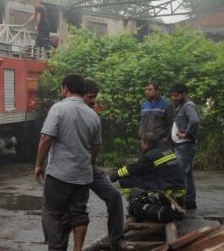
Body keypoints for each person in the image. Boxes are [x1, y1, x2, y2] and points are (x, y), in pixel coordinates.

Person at [34, 74, 102, 251]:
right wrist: (90, 164)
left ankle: (57, 248)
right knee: (79, 213)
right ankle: (77, 249)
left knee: (53, 214)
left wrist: (38, 164)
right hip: (82, 175)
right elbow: (96, 146)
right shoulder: (93, 114)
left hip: (60, 174)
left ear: (65, 88)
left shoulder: (59, 108)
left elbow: (46, 138)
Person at [83, 80, 128, 251]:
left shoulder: (92, 114)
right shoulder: (66, 112)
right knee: (74, 209)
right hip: (71, 168)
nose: (93, 101)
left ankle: (116, 240)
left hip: (88, 166)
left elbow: (96, 146)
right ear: (81, 95)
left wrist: (92, 165)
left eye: (95, 97)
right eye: (90, 97)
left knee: (114, 195)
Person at [109, 133, 185, 203]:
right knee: (140, 177)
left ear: (146, 143)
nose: (141, 146)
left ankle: (136, 203)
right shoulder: (166, 149)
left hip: (167, 192)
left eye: (142, 143)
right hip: (179, 191)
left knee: (125, 181)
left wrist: (115, 175)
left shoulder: (150, 155)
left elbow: (132, 169)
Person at [170, 83, 199, 209]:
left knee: (181, 174)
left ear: (184, 94)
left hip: (185, 145)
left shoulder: (188, 105)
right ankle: (190, 201)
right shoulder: (182, 106)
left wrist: (186, 134)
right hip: (182, 145)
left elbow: (195, 120)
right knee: (188, 174)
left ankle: (181, 203)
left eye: (176, 96)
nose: (174, 98)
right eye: (172, 96)